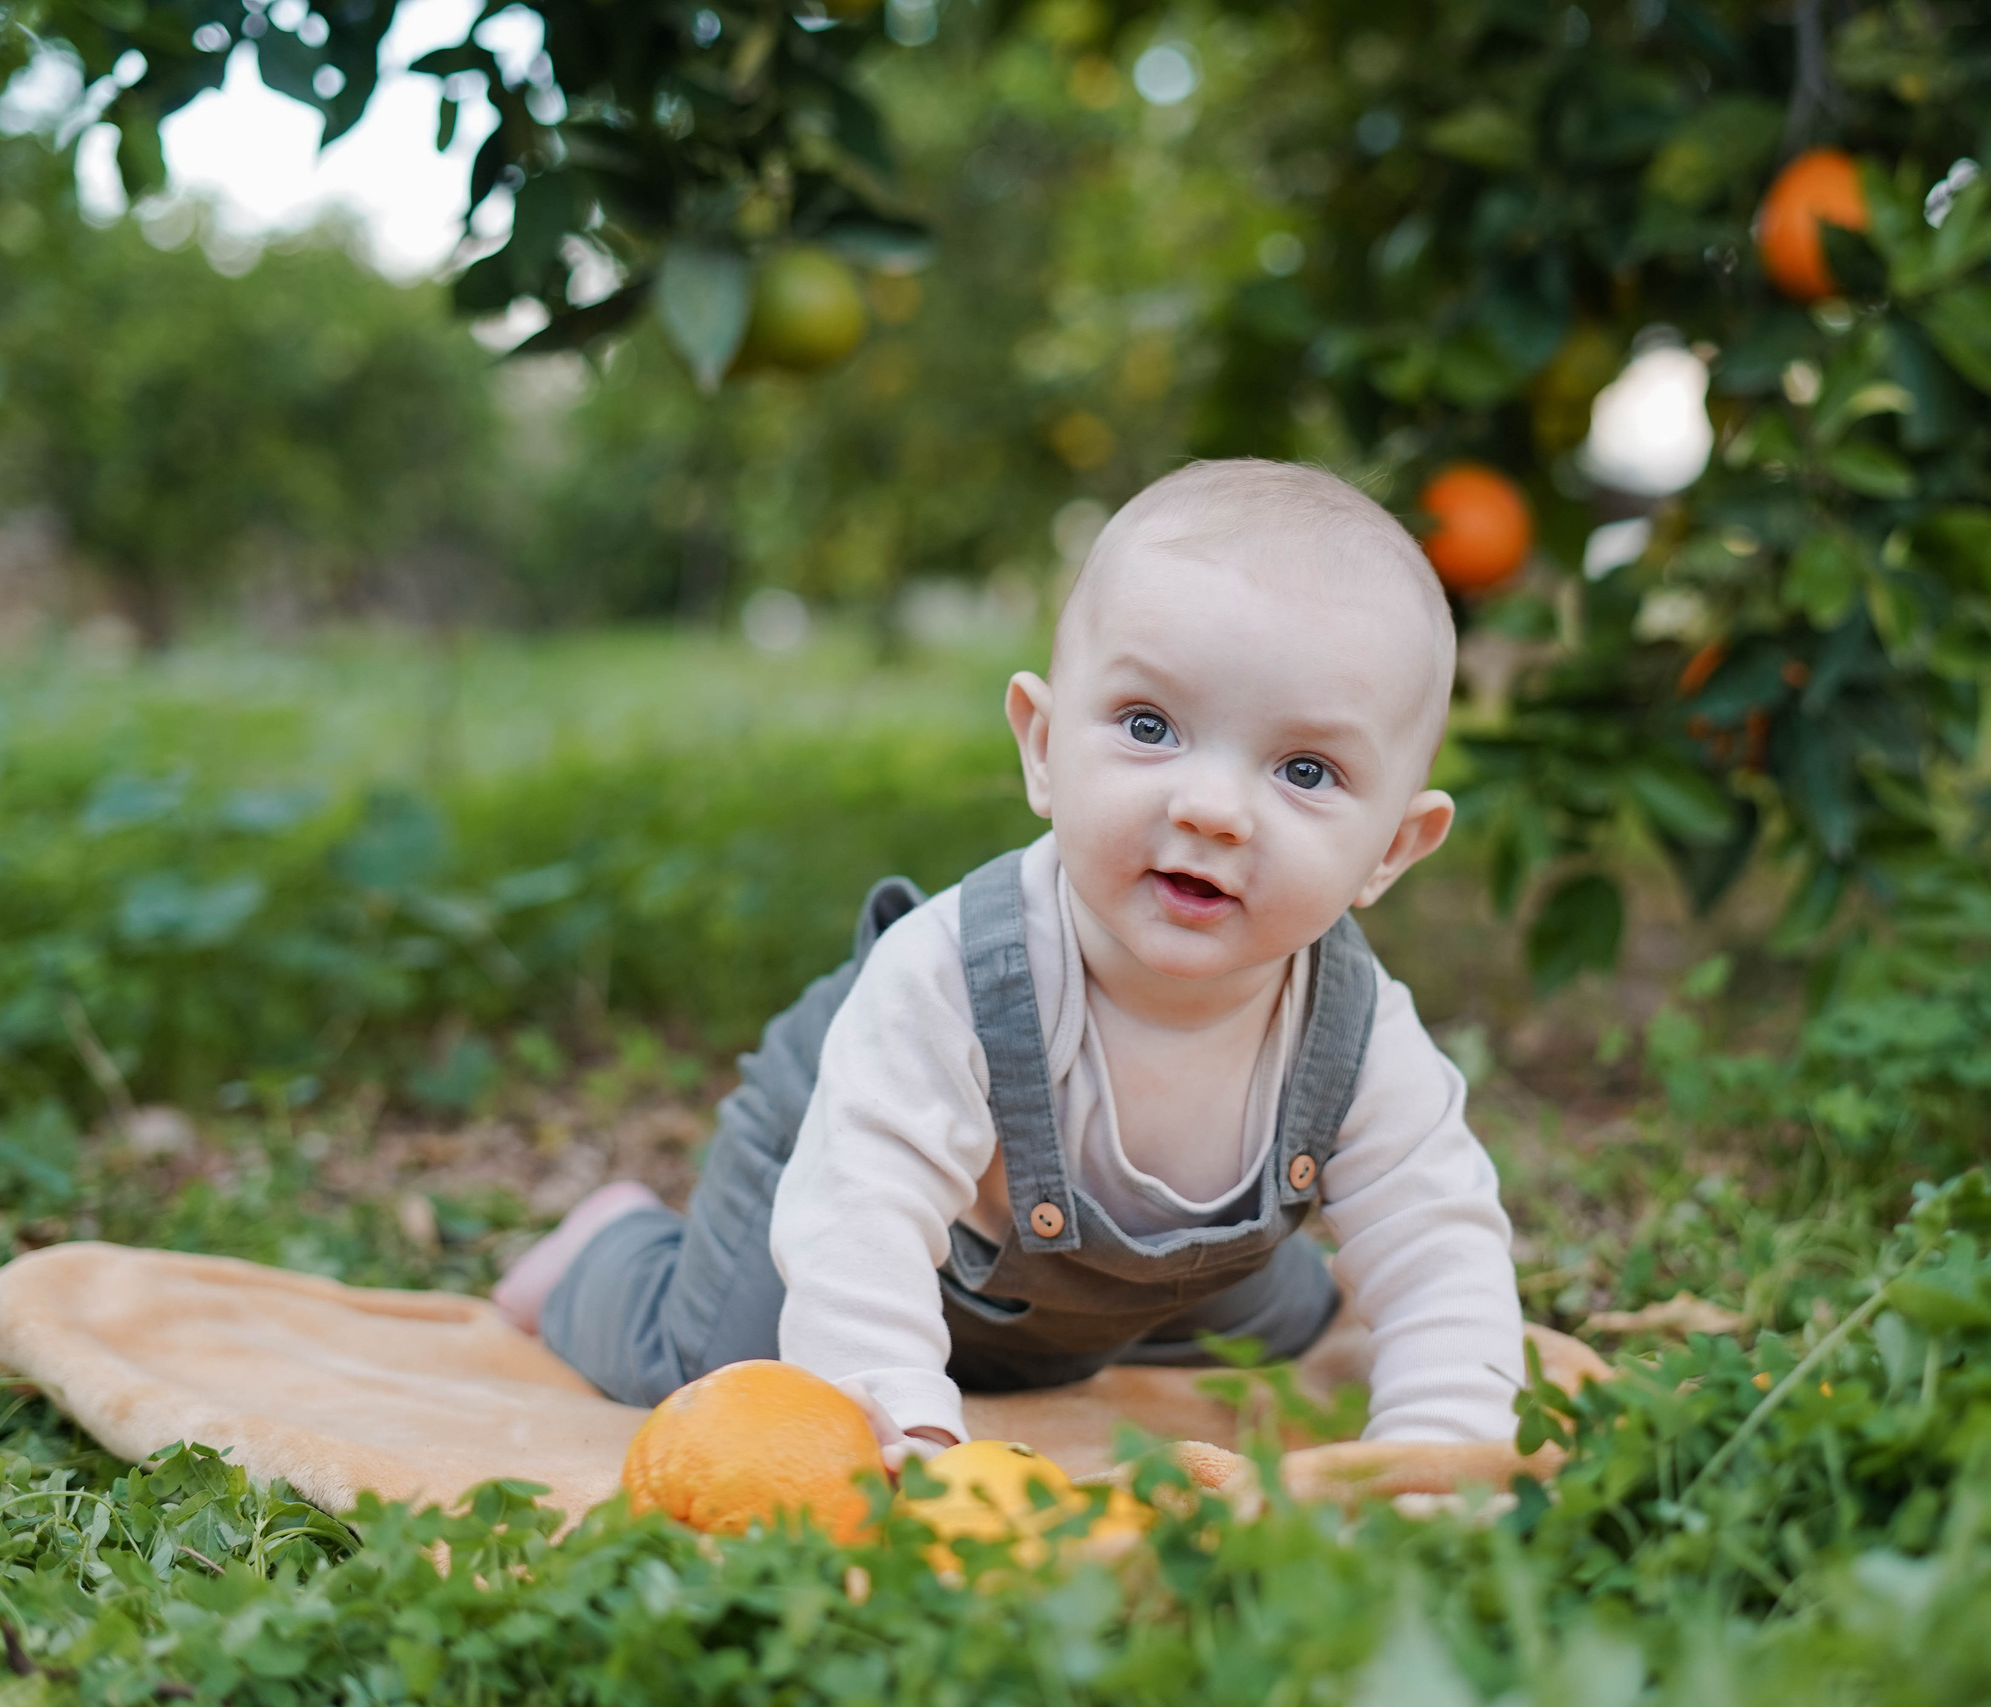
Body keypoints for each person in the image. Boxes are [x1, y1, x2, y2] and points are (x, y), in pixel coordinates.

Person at [494, 458, 1526, 1464]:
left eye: (1304, 769)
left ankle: (1108, 1327)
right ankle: (608, 1251)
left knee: (1286, 1324)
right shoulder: (951, 973)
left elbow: (1440, 1245)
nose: (1212, 808)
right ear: (1041, 744)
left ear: (1392, 848)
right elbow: (861, 1206)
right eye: (1150, 726)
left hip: (1117, 1281)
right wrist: (899, 1431)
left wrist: (1443, 1451)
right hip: (846, 1173)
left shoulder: (1357, 1034)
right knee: (729, 1373)